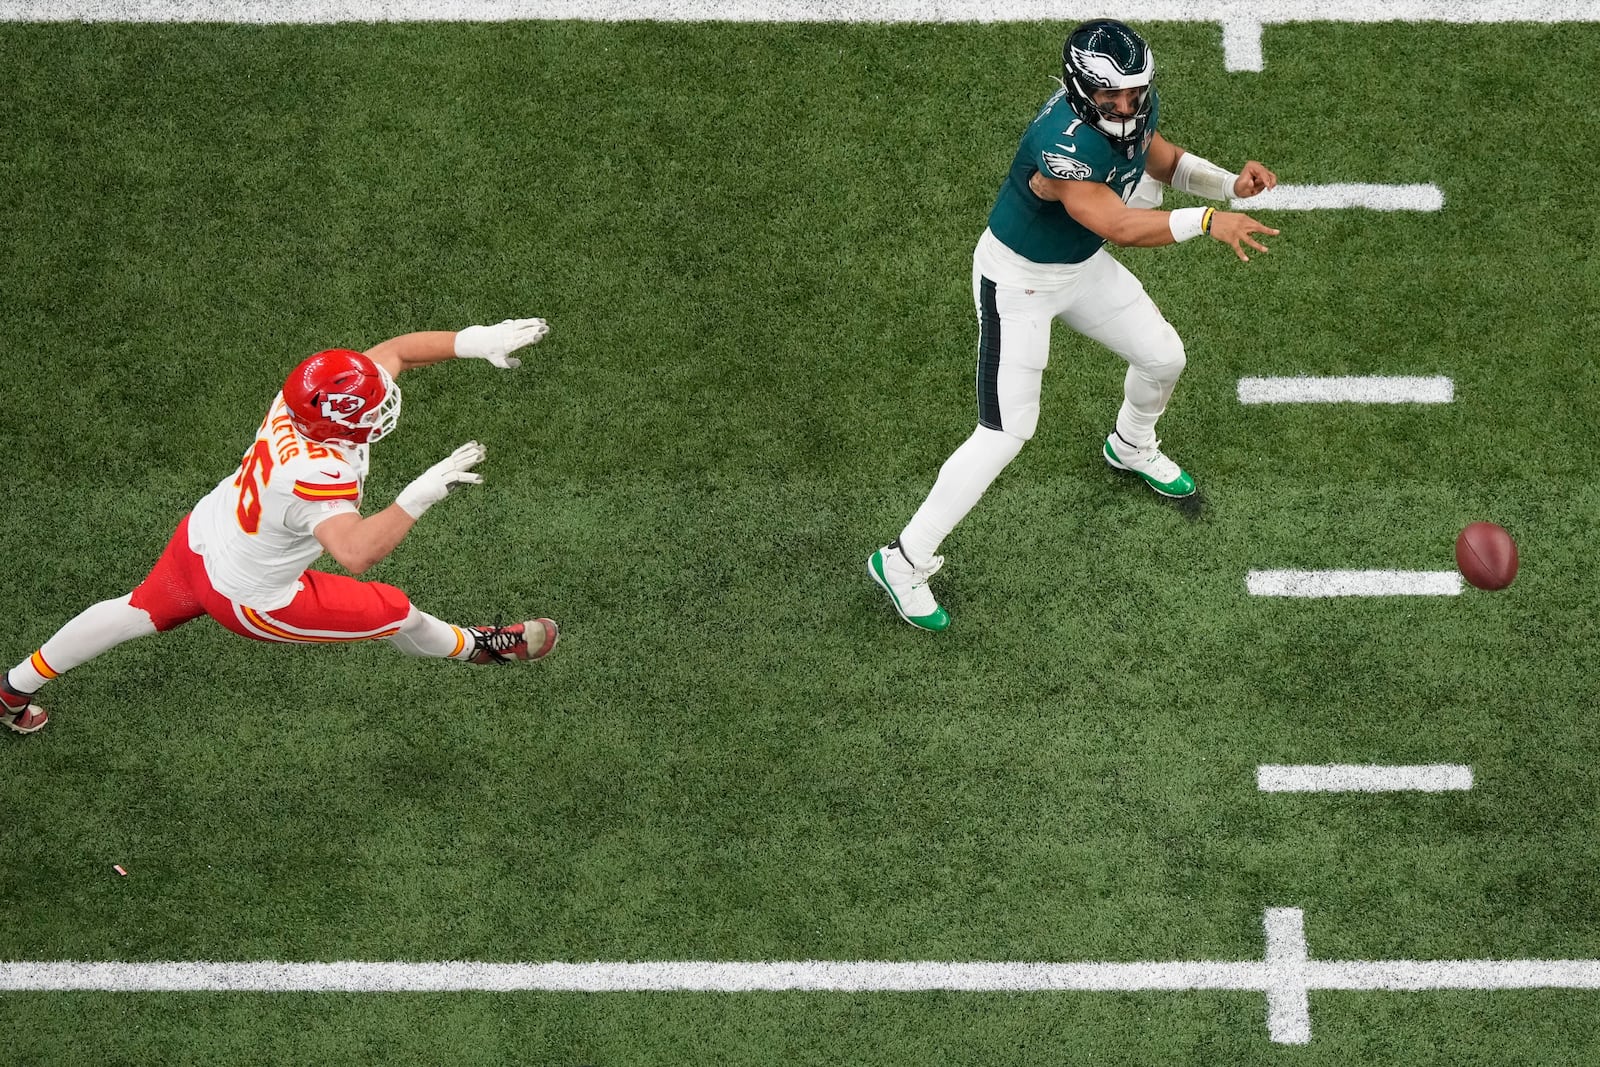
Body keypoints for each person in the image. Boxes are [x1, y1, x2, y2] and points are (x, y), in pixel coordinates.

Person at [868, 18, 1279, 632]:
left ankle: (1131, 445)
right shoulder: (1060, 142)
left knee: (1164, 357)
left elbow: (1159, 158)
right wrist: (1207, 221)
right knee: (1005, 433)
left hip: (1078, 266)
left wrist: (1228, 185)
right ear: (1082, 89)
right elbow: (1116, 224)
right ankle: (902, 560)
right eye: (1112, 96)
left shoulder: (1132, 108)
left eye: (1133, 93)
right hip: (1020, 283)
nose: (1126, 105)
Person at [2, 318, 559, 735]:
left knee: (133, 610)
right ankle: (479, 647)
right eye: (369, 408)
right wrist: (416, 498)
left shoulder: (300, 404)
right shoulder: (319, 473)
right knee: (396, 611)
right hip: (253, 597)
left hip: (203, 537)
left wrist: (471, 341)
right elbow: (356, 551)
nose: (382, 406)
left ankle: (12, 688)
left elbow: (391, 354)